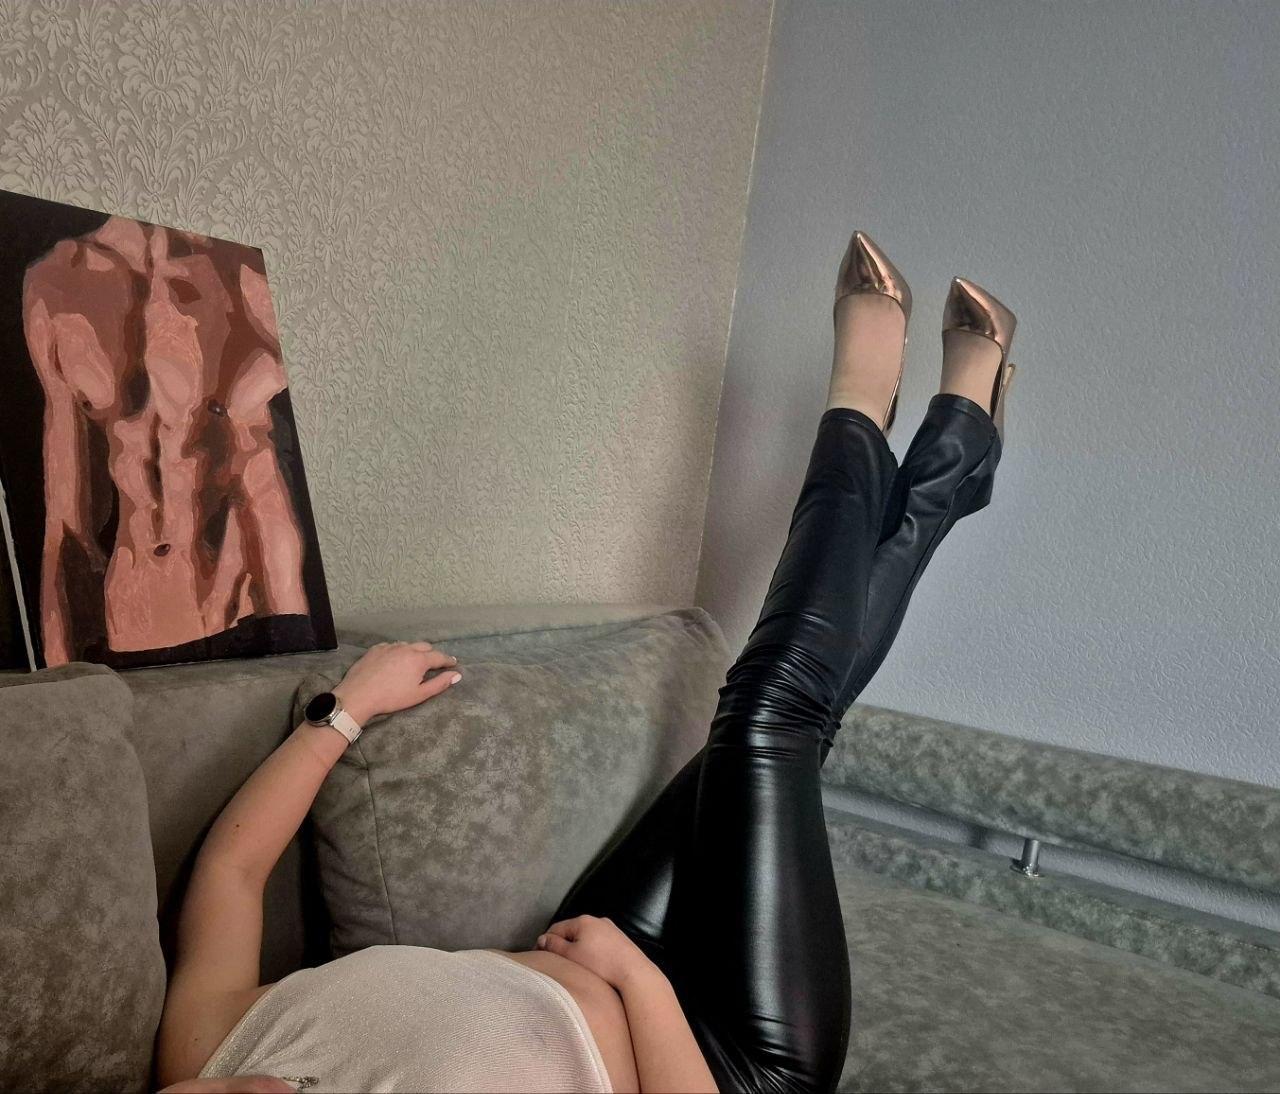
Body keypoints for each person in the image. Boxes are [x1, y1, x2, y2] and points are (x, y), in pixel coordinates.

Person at [155, 230, 1017, 1094]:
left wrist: (347, 712)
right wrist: (639, 982)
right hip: (731, 1062)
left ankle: (955, 459)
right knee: (768, 716)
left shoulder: (208, 1046)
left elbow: (232, 872)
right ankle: (866, 407)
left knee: (769, 735)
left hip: (587, 947)